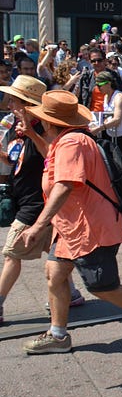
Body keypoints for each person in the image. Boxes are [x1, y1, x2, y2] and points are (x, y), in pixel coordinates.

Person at [19, 90, 122, 354]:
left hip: (90, 229)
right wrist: (33, 135)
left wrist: (38, 226)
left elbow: (66, 184)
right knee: (55, 274)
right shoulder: (67, 141)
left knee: (102, 287)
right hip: (71, 227)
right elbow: (54, 162)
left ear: (48, 121)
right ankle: (58, 336)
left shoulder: (72, 143)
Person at [0, 76, 85, 326]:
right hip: (30, 199)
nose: (9, 105)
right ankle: (73, 294)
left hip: (38, 203)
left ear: (27, 104)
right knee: (54, 252)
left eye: (14, 101)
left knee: (11, 254)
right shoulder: (18, 125)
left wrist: (30, 133)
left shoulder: (44, 127)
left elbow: (51, 156)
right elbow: (19, 161)